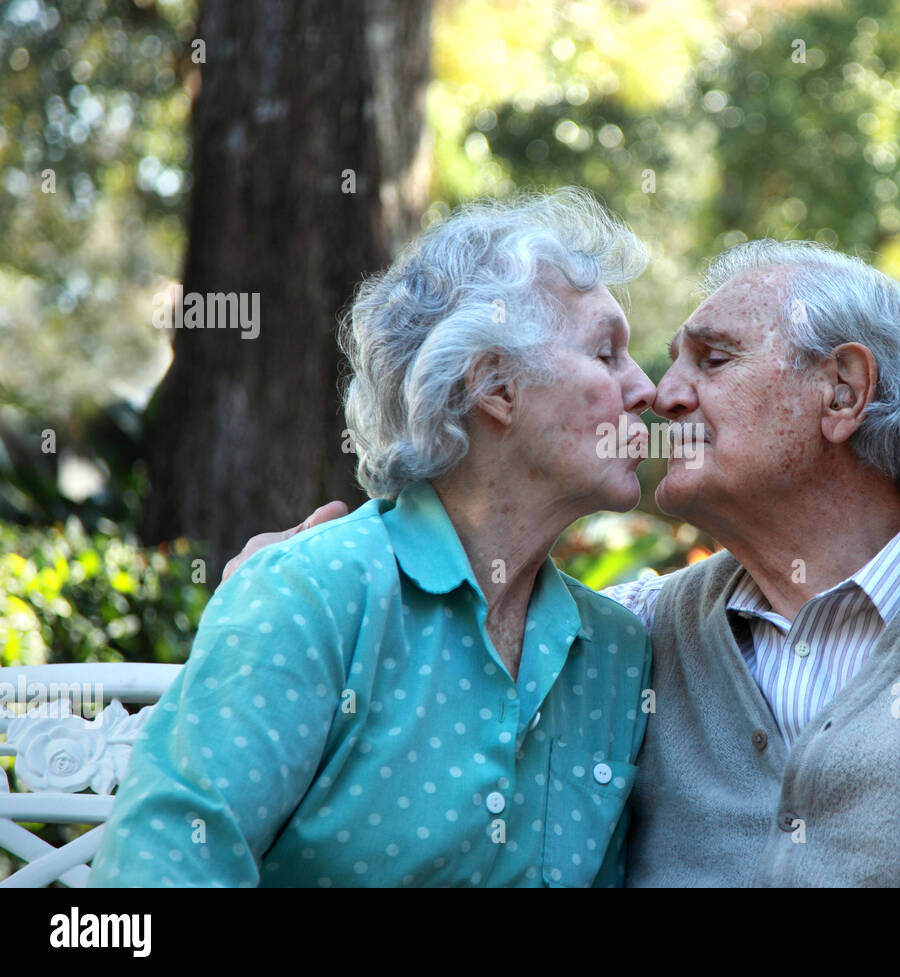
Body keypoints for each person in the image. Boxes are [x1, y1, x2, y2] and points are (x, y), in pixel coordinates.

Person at [225, 238, 900, 887]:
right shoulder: (631, 635)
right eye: (663, 357)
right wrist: (311, 583)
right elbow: (453, 675)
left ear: (841, 390)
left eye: (712, 356)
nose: (658, 392)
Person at [88, 188, 657, 887]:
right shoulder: (312, 595)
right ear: (496, 386)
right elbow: (162, 871)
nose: (648, 388)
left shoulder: (615, 653)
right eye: (607, 354)